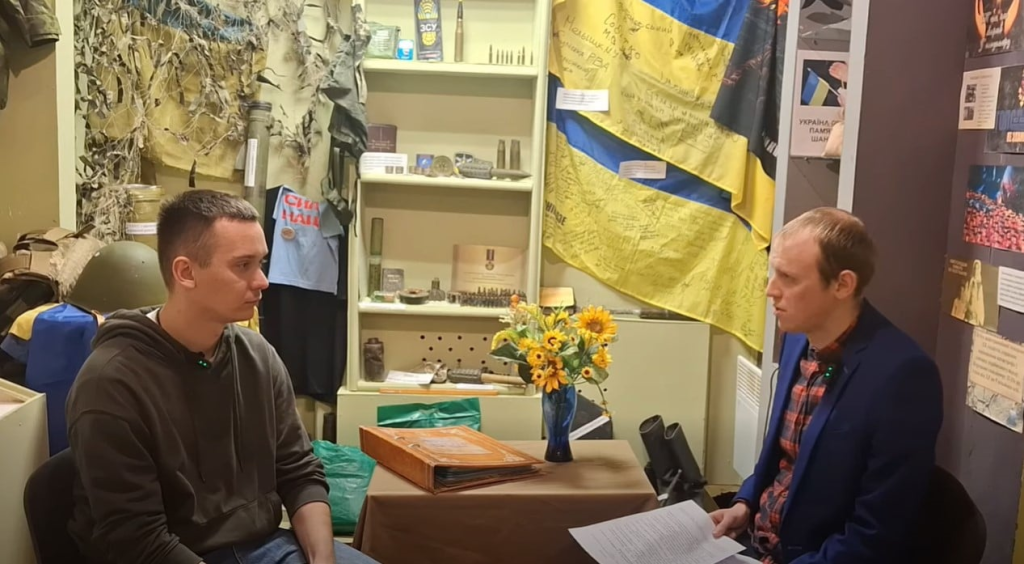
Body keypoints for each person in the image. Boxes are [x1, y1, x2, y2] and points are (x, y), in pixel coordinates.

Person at [65, 190, 379, 564]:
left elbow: (299, 473)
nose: (262, 281)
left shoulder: (257, 355)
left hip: (261, 543)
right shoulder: (110, 384)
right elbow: (137, 540)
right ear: (185, 272)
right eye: (243, 265)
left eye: (261, 263)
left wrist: (322, 561)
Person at [710, 208, 943, 563]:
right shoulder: (797, 337)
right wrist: (745, 502)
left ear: (842, 285)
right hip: (756, 542)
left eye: (788, 278)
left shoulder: (904, 376)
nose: (770, 290)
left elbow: (875, 534)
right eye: (774, 272)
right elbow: (784, 459)